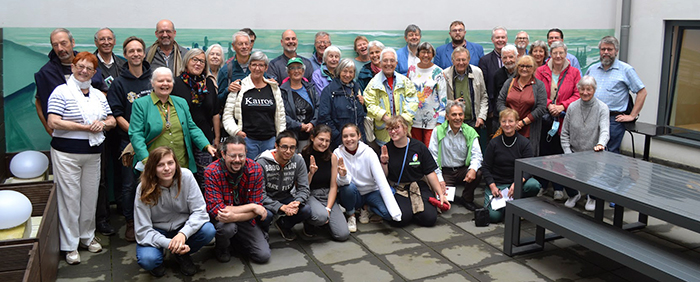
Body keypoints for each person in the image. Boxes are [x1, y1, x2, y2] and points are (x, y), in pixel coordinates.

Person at [47, 52, 116, 265]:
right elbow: (53, 122)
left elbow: (112, 119)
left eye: (89, 68)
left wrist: (102, 125)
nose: (84, 71)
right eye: (80, 66)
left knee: (89, 197)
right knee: (69, 198)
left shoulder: (97, 95)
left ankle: (87, 237)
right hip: (66, 154)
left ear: (94, 73)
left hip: (93, 154)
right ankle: (70, 245)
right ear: (73, 67)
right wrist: (86, 127)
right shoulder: (61, 92)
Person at [134, 146, 215, 277]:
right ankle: (161, 258)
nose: (167, 168)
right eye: (160, 165)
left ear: (176, 164)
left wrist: (183, 234)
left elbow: (200, 212)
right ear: (152, 168)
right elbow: (142, 230)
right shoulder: (143, 188)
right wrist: (169, 243)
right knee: (148, 260)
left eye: (170, 163)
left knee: (208, 230)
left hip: (183, 226)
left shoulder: (186, 176)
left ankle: (182, 254)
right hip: (156, 230)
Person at [107, 36, 153, 242]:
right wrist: (136, 136)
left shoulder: (154, 78)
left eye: (139, 50)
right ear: (125, 55)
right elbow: (117, 116)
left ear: (144, 53)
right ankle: (131, 222)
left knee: (154, 182)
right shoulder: (118, 83)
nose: (135, 54)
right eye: (131, 51)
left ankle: (153, 221)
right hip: (130, 144)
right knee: (129, 185)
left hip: (155, 141)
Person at [129, 67, 216, 172]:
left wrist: (206, 145)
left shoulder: (181, 102)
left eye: (168, 81)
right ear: (152, 83)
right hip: (155, 166)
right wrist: (146, 160)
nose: (165, 84)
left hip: (181, 164)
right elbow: (136, 134)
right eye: (160, 81)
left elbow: (192, 128)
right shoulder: (141, 104)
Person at [204, 136, 271, 264]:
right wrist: (251, 206)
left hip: (244, 218)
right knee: (227, 228)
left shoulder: (255, 169)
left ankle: (237, 241)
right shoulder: (212, 171)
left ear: (246, 153)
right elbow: (217, 209)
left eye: (241, 156)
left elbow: (258, 208)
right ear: (223, 154)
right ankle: (222, 247)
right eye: (232, 156)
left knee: (263, 256)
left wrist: (236, 216)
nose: (237, 160)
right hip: (222, 220)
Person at [35, 28, 108, 137]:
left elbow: (104, 92)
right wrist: (48, 129)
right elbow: (39, 102)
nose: (60, 48)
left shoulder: (88, 64)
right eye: (55, 45)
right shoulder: (46, 73)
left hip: (93, 132)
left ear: (72, 42)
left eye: (63, 43)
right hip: (63, 134)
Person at [380, 116, 448, 227]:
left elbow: (430, 172)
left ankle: (414, 210)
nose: (393, 132)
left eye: (397, 128)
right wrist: (384, 162)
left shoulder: (419, 147)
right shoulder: (386, 149)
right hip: (398, 187)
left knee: (430, 219)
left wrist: (440, 194)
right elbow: (384, 176)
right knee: (400, 219)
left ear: (405, 129)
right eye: (390, 129)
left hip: (418, 185)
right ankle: (408, 210)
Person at [534, 41, 581, 200]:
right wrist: (550, 105)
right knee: (544, 153)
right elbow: (537, 91)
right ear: (551, 55)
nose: (558, 56)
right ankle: (542, 183)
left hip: (565, 119)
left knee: (562, 154)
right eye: (555, 53)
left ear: (565, 54)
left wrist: (562, 106)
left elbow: (578, 94)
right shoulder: (540, 71)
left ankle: (558, 187)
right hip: (545, 119)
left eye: (561, 53)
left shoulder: (574, 72)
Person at [334, 124, 402, 232]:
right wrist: (343, 176)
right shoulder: (337, 153)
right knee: (348, 187)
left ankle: (367, 207)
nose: (349, 139)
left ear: (359, 136)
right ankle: (351, 215)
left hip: (371, 192)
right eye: (345, 136)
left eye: (352, 135)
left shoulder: (369, 152)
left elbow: (381, 179)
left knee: (389, 215)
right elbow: (338, 182)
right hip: (353, 193)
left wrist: (395, 212)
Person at [585, 35, 647, 154]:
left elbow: (642, 92)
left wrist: (632, 116)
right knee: (590, 151)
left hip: (613, 120)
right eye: (603, 49)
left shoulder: (626, 70)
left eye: (610, 49)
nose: (606, 52)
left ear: (616, 51)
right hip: (592, 117)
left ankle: (612, 174)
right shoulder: (592, 69)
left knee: (610, 154)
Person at [222, 51, 286, 160]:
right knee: (249, 173)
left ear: (266, 68)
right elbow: (227, 115)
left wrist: (280, 138)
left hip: (270, 141)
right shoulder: (239, 87)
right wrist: (236, 131)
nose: (257, 68)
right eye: (254, 64)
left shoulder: (273, 88)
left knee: (268, 174)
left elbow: (281, 116)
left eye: (261, 65)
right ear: (249, 66)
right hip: (247, 140)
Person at [482, 108, 541, 223]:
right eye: (504, 121)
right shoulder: (494, 143)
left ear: (517, 122)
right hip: (498, 185)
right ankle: (510, 207)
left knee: (534, 185)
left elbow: (529, 167)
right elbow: (485, 167)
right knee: (493, 217)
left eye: (511, 121)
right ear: (500, 123)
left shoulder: (524, 143)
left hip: (516, 183)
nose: (507, 124)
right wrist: (493, 186)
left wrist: (518, 182)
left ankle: (518, 204)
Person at [93, 27, 125, 237]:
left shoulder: (122, 63)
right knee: (100, 173)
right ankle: (102, 217)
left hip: (121, 122)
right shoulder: (90, 64)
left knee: (123, 167)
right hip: (98, 127)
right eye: (101, 39)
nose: (105, 42)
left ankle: (123, 207)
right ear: (96, 42)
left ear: (114, 42)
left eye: (109, 39)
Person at [172, 49, 220, 186]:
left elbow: (215, 112)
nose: (198, 64)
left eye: (202, 61)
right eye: (194, 60)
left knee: (205, 179)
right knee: (182, 177)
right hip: (181, 138)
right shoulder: (175, 84)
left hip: (205, 138)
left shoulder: (209, 83)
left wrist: (216, 137)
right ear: (186, 61)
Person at [560, 76, 609, 209]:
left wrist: (601, 144)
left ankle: (591, 197)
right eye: (582, 89)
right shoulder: (572, 107)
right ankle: (574, 195)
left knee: (596, 175)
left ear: (594, 90)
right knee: (564, 170)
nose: (585, 92)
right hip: (574, 152)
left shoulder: (602, 108)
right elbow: (564, 133)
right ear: (578, 89)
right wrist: (568, 153)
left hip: (593, 153)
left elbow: (605, 130)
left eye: (589, 89)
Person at [256, 131, 312, 241]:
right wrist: (281, 207)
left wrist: (297, 202)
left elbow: (304, 188)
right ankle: (263, 232)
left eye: (292, 148)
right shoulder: (261, 163)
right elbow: (259, 195)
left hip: (286, 197)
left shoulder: (298, 160)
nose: (288, 151)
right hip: (267, 199)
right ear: (276, 146)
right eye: (284, 147)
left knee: (306, 210)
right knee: (266, 215)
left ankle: (284, 225)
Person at [429, 101, 483, 211]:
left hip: (462, 170)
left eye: (460, 114)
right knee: (445, 205)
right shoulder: (437, 131)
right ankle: (448, 194)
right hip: (445, 172)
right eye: (454, 115)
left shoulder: (470, 131)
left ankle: (467, 198)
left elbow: (477, 155)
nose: (457, 118)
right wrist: (439, 179)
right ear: (447, 116)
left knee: (478, 172)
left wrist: (472, 169)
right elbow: (432, 157)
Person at [301, 125, 350, 241]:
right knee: (321, 216)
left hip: (327, 195)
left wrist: (328, 208)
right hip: (310, 194)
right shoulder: (302, 156)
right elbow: (301, 187)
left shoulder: (332, 157)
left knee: (343, 235)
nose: (324, 143)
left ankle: (326, 221)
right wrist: (311, 174)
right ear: (312, 138)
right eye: (321, 139)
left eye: (327, 141)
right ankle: (311, 222)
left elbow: (333, 186)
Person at [364, 48, 419, 147]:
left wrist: (400, 121)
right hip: (383, 133)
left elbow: (413, 101)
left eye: (392, 60)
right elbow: (370, 105)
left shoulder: (405, 81)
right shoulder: (373, 83)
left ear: (396, 63)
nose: (388, 63)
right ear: (380, 63)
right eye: (385, 60)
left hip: (403, 131)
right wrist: (387, 119)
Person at [497, 55, 547, 156]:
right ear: (517, 67)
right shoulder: (509, 83)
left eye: (528, 66)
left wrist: (522, 123)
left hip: (529, 131)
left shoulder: (539, 85)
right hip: (509, 129)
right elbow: (500, 102)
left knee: (527, 160)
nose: (524, 69)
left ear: (533, 68)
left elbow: (541, 108)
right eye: (521, 65)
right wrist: (510, 120)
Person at [318, 59, 366, 149]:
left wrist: (364, 105)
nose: (348, 75)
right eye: (345, 71)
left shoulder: (356, 88)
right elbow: (324, 117)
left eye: (351, 72)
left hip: (358, 139)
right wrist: (338, 136)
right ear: (339, 71)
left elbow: (361, 116)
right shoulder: (329, 90)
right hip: (338, 141)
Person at [406, 42, 446, 146]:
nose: (426, 55)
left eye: (429, 52)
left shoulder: (438, 72)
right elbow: (407, 94)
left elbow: (443, 99)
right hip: (414, 119)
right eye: (423, 52)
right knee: (415, 148)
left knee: (430, 150)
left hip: (433, 120)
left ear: (433, 54)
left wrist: (440, 121)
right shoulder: (412, 70)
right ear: (418, 54)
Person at [441, 47, 488, 131]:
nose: (461, 63)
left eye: (464, 60)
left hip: (474, 122)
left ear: (469, 59)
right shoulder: (445, 74)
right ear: (453, 60)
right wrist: (453, 103)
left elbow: (483, 97)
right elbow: (441, 100)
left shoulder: (477, 72)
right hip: (453, 122)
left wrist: (481, 117)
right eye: (458, 60)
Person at [281, 57, 319, 151]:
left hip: (310, 135)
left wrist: (312, 123)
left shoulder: (310, 88)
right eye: (292, 68)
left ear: (303, 71)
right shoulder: (282, 91)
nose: (296, 71)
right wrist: (299, 126)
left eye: (299, 67)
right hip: (291, 136)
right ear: (288, 72)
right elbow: (281, 114)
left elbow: (318, 107)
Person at [479, 26, 508, 136]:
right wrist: (489, 110)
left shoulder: (514, 60)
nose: (500, 40)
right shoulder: (485, 61)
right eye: (497, 37)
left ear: (506, 39)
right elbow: (483, 87)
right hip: (493, 112)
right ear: (492, 40)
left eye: (503, 37)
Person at [217, 31, 253, 104]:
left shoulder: (258, 68)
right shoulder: (226, 70)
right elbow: (218, 100)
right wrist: (228, 90)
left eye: (246, 44)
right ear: (233, 46)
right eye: (240, 44)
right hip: (234, 113)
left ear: (250, 46)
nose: (244, 47)